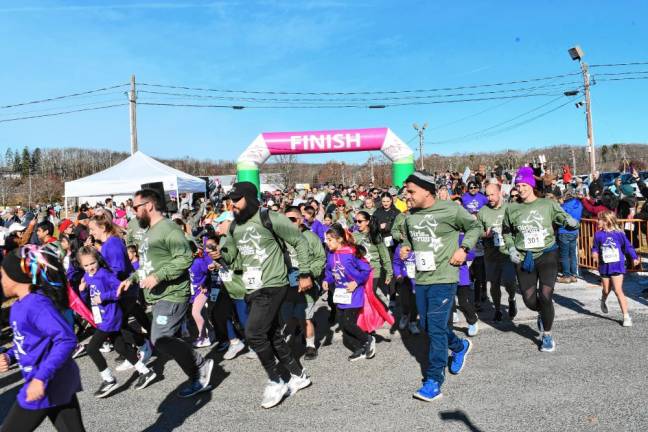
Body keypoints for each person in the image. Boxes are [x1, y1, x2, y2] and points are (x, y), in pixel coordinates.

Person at [216, 181, 312, 409]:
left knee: (253, 333)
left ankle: (275, 380)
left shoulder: (270, 217)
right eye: (230, 201)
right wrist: (217, 254)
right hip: (251, 287)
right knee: (270, 334)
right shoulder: (234, 227)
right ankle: (299, 375)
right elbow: (229, 257)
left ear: (249, 198)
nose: (233, 205)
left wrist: (305, 272)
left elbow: (299, 241)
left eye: (237, 200)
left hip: (273, 283)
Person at [120, 189, 214, 398]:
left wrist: (159, 276)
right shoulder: (149, 232)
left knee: (160, 338)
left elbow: (185, 258)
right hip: (160, 294)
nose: (133, 212)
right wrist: (131, 279)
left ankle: (201, 366)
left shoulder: (168, 228)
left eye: (136, 208)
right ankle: (198, 372)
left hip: (172, 293)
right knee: (164, 339)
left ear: (149, 205)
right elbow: (148, 265)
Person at [400, 171, 481, 402]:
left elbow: (474, 227)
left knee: (435, 328)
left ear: (427, 190)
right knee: (426, 324)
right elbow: (409, 238)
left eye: (411, 191)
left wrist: (463, 249)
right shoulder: (411, 216)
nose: (408, 195)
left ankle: (433, 380)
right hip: (422, 278)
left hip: (444, 278)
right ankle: (459, 345)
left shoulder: (450, 209)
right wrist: (405, 248)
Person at [0, 247, 86, 432]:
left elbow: (66, 339)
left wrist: (40, 378)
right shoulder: (19, 306)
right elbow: (26, 341)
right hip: (55, 380)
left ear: (15, 277)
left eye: (2, 275)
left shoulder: (36, 304)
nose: (1, 280)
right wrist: (10, 355)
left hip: (45, 382)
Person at [502, 167, 579, 353]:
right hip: (524, 256)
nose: (520, 188)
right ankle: (541, 313)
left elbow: (561, 216)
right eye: (518, 185)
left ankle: (547, 334)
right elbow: (506, 232)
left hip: (547, 254)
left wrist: (570, 220)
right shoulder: (512, 208)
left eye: (523, 185)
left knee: (545, 296)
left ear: (531, 185)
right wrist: (511, 248)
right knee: (529, 300)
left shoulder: (546, 204)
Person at [77, 247, 156, 397]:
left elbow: (120, 291)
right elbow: (88, 298)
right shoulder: (87, 276)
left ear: (98, 260)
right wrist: (82, 290)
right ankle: (146, 372)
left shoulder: (105, 275)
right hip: (102, 317)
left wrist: (104, 297)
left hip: (111, 316)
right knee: (120, 347)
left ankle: (109, 380)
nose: (90, 267)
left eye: (92, 263)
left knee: (92, 348)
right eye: (85, 265)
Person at [322, 223, 375, 360]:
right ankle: (360, 349)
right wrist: (327, 280)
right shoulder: (331, 254)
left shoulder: (351, 252)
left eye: (330, 239)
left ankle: (367, 339)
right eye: (326, 240)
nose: (327, 243)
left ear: (339, 239)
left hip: (355, 292)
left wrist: (356, 282)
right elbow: (329, 270)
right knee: (342, 323)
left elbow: (366, 270)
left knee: (348, 323)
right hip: (341, 293)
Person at [282, 206, 326, 360]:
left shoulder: (311, 237)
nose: (289, 223)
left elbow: (321, 259)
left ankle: (310, 346)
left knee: (305, 317)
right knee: (289, 316)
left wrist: (308, 275)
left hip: (307, 282)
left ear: (301, 219)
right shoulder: (281, 238)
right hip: (287, 283)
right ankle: (293, 337)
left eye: (292, 219)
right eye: (285, 220)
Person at [477, 183, 518, 321]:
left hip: (507, 253)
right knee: (494, 284)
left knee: (509, 282)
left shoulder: (509, 208)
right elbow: (476, 232)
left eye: (492, 194)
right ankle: (498, 309)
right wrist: (485, 234)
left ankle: (512, 299)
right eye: (487, 195)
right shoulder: (483, 211)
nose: (489, 198)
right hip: (491, 255)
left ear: (499, 193)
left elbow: (517, 228)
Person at [592, 211, 640, 327]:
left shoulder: (619, 234)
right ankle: (603, 300)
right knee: (606, 290)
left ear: (606, 221)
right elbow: (595, 248)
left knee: (618, 290)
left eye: (599, 220)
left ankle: (626, 316)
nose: (597, 222)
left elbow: (628, 246)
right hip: (604, 266)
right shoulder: (598, 235)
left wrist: (634, 257)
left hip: (617, 265)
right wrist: (594, 254)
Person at [352, 211, 393, 305]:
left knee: (370, 295)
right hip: (359, 271)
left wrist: (389, 273)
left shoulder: (375, 235)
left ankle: (381, 313)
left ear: (367, 222)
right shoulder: (354, 235)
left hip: (373, 270)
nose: (357, 224)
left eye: (360, 221)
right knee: (363, 297)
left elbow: (385, 255)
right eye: (355, 221)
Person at [556, 192, 583, 283]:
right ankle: (574, 274)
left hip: (564, 231)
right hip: (574, 231)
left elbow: (559, 218)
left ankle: (566, 275)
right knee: (572, 254)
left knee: (564, 255)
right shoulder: (579, 204)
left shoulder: (564, 206)